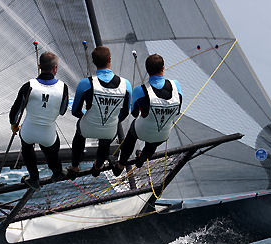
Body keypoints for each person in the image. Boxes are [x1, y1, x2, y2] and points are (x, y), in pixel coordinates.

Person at [112, 54, 183, 176]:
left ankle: (120, 165)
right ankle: (142, 159)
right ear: (163, 68)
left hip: (142, 131)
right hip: (163, 134)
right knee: (154, 139)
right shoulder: (176, 85)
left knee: (132, 134)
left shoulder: (140, 90)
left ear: (147, 70)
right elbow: (177, 111)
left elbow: (134, 113)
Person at [67, 46, 132, 178]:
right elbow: (125, 113)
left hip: (87, 128)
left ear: (94, 62)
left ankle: (74, 167)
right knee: (107, 135)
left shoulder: (85, 83)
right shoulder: (126, 84)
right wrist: (111, 119)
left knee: (80, 132)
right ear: (110, 60)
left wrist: (87, 116)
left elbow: (75, 111)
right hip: (109, 130)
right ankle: (98, 166)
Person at [9, 51, 68, 190]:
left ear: (39, 66)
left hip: (28, 131)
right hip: (48, 134)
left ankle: (34, 178)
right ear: (55, 68)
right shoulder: (63, 87)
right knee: (51, 146)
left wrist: (14, 125)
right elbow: (63, 111)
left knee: (27, 147)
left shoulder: (28, 85)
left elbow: (15, 111)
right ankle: (57, 172)